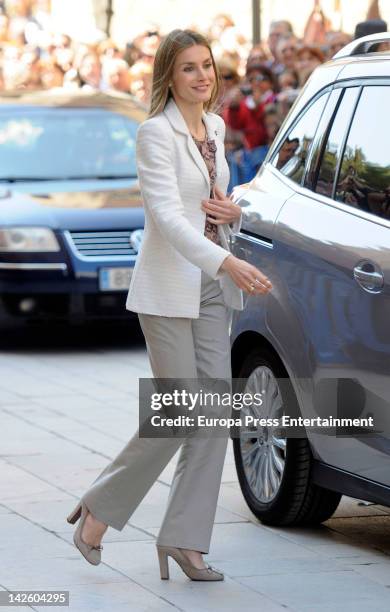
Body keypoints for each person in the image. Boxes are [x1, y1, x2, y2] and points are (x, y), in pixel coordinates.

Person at [66, 28, 272, 582]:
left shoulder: (217, 127)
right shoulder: (153, 134)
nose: (202, 75)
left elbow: (208, 199)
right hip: (169, 285)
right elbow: (168, 216)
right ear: (169, 76)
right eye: (188, 68)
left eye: (207, 65)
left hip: (209, 285)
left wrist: (233, 212)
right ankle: (99, 510)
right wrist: (227, 262)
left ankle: (185, 540)